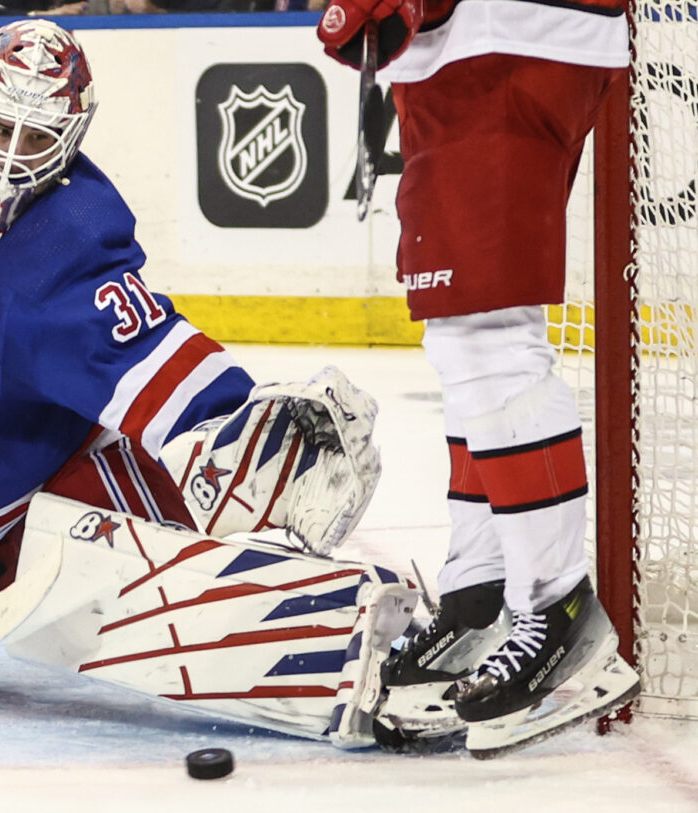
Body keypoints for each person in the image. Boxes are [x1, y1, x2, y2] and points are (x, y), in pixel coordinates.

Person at [0, 19, 415, 749]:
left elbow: (175, 384)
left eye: (35, 139)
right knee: (172, 469)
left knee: (187, 444)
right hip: (4, 534)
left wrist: (251, 427)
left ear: (72, 139)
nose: (7, 157)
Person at [317, 0, 641, 754]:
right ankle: (480, 589)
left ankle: (559, 614)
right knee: (463, 337)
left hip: (507, 35)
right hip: (470, 42)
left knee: (489, 335)